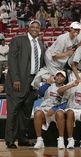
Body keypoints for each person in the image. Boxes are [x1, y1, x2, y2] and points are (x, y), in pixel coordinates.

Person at [5, 20, 46, 148]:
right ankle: (10, 140)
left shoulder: (41, 44)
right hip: (18, 81)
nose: (35, 29)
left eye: (37, 27)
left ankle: (22, 138)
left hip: (33, 82)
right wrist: (16, 79)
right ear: (28, 28)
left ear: (40, 30)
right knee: (13, 112)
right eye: (32, 26)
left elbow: (42, 64)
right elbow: (11, 60)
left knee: (26, 113)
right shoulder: (18, 40)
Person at [57, 67, 81, 149]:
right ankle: (70, 139)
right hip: (71, 108)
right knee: (70, 112)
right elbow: (59, 91)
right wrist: (72, 85)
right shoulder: (74, 83)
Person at [33, 71, 66, 149]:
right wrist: (47, 83)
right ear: (54, 77)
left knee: (60, 114)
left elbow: (66, 103)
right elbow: (39, 93)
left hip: (57, 109)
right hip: (45, 108)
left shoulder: (66, 87)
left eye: (61, 76)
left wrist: (54, 109)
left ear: (64, 79)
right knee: (37, 113)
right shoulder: (49, 85)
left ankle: (61, 140)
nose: (59, 77)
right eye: (57, 76)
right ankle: (39, 140)